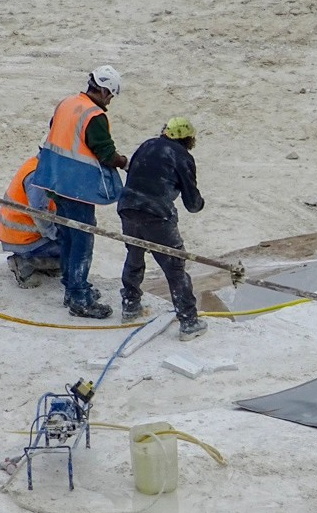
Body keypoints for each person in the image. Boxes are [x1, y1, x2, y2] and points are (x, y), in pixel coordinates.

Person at [30, 65, 128, 319]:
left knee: (69, 238)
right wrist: (124, 162)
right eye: (111, 95)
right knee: (82, 242)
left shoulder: (67, 103)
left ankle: (71, 289)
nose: (110, 101)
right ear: (105, 90)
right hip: (77, 188)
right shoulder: (94, 116)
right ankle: (79, 297)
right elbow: (105, 153)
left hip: (55, 181)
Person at [117, 117, 206, 341]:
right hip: (156, 214)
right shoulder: (182, 156)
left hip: (127, 207)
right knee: (175, 267)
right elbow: (192, 204)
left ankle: (130, 305)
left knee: (134, 254)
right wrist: (199, 202)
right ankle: (189, 322)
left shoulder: (147, 145)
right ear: (188, 138)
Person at [0, 155, 60, 288]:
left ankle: (46, 262)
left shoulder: (37, 165)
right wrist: (55, 235)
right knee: (73, 252)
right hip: (24, 238)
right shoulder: (38, 175)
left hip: (20, 234)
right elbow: (38, 211)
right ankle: (25, 262)